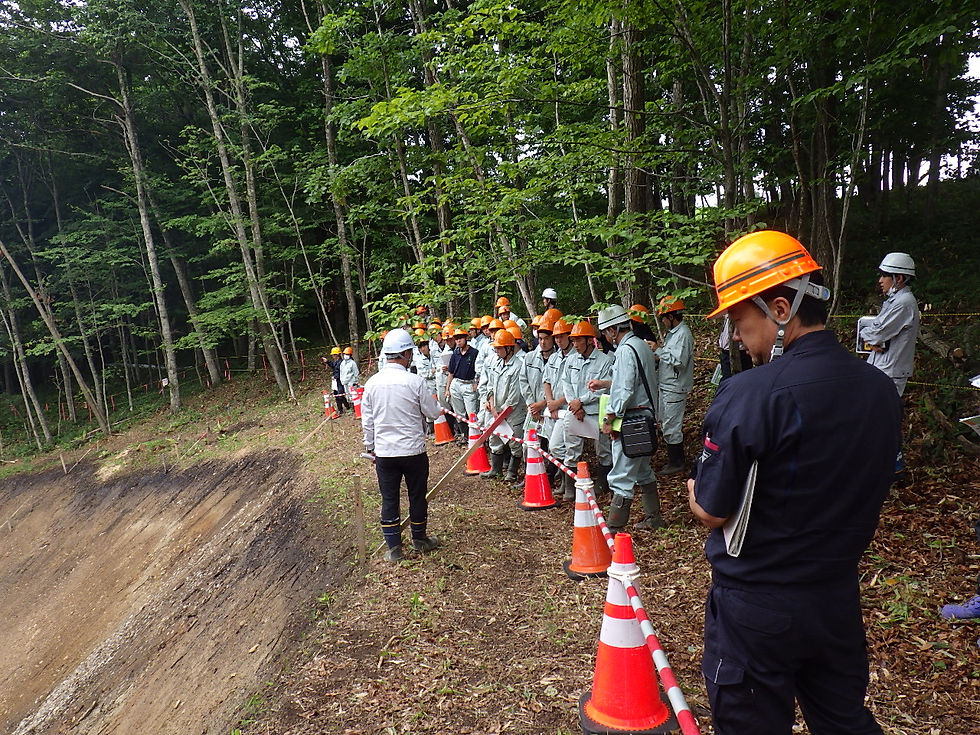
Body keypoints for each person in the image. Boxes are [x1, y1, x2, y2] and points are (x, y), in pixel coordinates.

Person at [688, 230, 902, 735]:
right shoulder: (878, 390)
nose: (738, 339)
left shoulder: (750, 393)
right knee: (843, 719)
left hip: (757, 606)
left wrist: (696, 495)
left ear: (780, 308)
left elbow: (715, 511)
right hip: (835, 599)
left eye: (740, 324)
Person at [361, 329, 443, 562]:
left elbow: (368, 421)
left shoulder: (372, 383)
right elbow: (433, 412)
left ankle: (394, 548)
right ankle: (419, 539)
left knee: (389, 499)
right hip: (413, 451)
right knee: (417, 495)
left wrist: (370, 446)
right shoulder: (414, 381)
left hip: (385, 453)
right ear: (406, 353)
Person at [598, 305, 661, 532]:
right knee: (643, 470)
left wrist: (609, 418)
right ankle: (654, 518)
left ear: (614, 330)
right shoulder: (642, 346)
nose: (605, 337)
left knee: (621, 476)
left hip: (632, 421)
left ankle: (613, 529)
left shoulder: (625, 351)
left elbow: (624, 390)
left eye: (606, 332)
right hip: (646, 417)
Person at [561, 321, 613, 500]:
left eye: (578, 340)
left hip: (596, 412)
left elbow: (604, 389)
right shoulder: (570, 360)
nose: (575, 345)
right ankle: (570, 486)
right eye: (573, 341)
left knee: (604, 449)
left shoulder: (605, 361)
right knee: (572, 449)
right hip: (575, 412)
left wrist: (581, 401)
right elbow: (565, 383)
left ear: (590, 341)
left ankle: (603, 482)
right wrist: (574, 404)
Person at [859, 252, 920, 397]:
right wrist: (871, 335)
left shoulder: (903, 304)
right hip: (882, 369)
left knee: (879, 416)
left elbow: (877, 334)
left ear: (898, 278)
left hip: (890, 373)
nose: (880, 280)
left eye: (884, 275)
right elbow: (876, 331)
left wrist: (863, 333)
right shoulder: (894, 301)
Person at [652, 295, 694, 475]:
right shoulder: (674, 334)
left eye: (663, 318)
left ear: (671, 316)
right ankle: (674, 460)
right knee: (665, 423)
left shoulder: (683, 334)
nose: (662, 321)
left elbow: (679, 361)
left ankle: (677, 462)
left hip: (675, 387)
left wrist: (658, 350)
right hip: (667, 386)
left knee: (671, 426)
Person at [482, 329, 527, 483]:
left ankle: (512, 473)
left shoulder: (518, 366)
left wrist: (500, 412)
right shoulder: (496, 364)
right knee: (494, 439)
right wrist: (493, 406)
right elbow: (490, 386)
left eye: (499, 348)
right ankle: (495, 470)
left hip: (513, 414)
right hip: (497, 411)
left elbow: (514, 398)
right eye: (496, 348)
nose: (496, 351)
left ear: (509, 348)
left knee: (515, 442)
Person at [518, 315, 556, 484]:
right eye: (540, 338)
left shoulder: (559, 359)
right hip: (533, 410)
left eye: (546, 338)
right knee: (528, 444)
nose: (543, 342)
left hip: (552, 409)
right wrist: (531, 405)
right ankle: (530, 478)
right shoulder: (529, 358)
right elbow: (523, 380)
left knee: (553, 445)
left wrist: (543, 404)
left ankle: (550, 477)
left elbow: (560, 386)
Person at [543, 318, 574, 481]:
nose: (559, 340)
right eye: (556, 337)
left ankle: (566, 481)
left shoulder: (576, 358)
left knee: (559, 446)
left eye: (562, 336)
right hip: (552, 410)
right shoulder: (554, 358)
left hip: (568, 410)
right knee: (553, 447)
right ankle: (562, 480)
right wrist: (550, 403)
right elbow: (546, 380)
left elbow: (575, 389)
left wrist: (557, 403)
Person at [446, 327, 479, 438]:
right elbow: (451, 372)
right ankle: (465, 435)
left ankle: (475, 437)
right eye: (456, 339)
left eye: (460, 338)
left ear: (466, 338)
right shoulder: (455, 353)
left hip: (469, 384)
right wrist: (447, 389)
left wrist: (477, 382)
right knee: (459, 412)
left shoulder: (474, 353)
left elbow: (480, 370)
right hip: (456, 383)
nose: (458, 341)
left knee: (472, 413)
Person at [322, 347, 350, 416]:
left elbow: (341, 372)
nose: (333, 356)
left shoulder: (341, 362)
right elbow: (333, 366)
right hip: (335, 381)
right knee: (336, 395)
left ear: (337, 355)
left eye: (334, 355)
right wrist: (327, 362)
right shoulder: (335, 362)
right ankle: (340, 409)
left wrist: (335, 376)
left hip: (340, 381)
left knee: (340, 395)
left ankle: (347, 407)